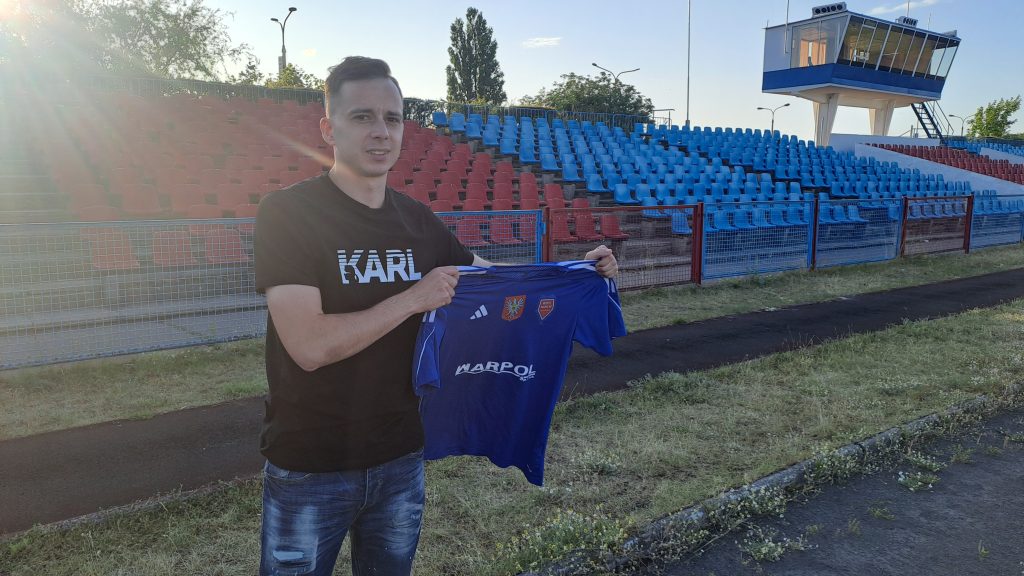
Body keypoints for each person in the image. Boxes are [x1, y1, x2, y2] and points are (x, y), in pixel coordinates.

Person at [254, 56, 618, 576]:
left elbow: (492, 279)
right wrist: (412, 298)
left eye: (392, 118)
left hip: (401, 455)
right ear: (328, 129)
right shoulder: (289, 213)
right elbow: (310, 346)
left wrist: (580, 271)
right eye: (362, 117)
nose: (381, 132)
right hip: (311, 462)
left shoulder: (417, 219)